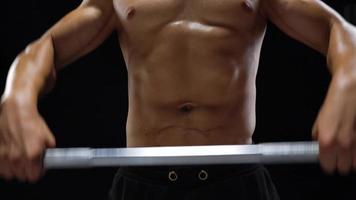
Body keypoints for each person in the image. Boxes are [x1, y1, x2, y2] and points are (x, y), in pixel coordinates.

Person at [0, 0, 355, 199]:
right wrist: (17, 95)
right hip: (144, 185)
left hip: (235, 182)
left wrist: (350, 78)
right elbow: (47, 47)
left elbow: (336, 29)